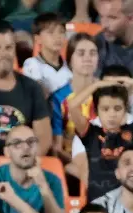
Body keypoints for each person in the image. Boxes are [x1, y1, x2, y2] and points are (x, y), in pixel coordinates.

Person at [69, 76, 133, 200]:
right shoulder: (90, 134)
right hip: (99, 206)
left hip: (131, 205)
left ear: (125, 109)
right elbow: (72, 106)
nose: (112, 114)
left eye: (117, 108)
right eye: (105, 109)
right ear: (97, 110)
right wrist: (97, 85)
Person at [0, 22, 53, 162]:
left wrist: (23, 164)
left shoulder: (31, 88)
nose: (3, 54)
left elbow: (43, 138)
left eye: (8, 47)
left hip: (23, 167)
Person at [0, 126, 67, 213]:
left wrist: (43, 187)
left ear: (38, 148)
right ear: (7, 152)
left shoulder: (52, 180)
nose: (26, 147)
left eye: (31, 142)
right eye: (17, 143)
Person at [49, 33, 100, 164]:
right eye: (81, 53)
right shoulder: (58, 97)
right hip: (71, 163)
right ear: (69, 60)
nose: (88, 58)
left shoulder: (107, 91)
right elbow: (57, 148)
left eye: (93, 53)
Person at [22, 13, 72, 98]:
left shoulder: (70, 68)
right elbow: (39, 94)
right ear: (38, 39)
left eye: (61, 32)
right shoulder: (31, 64)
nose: (57, 37)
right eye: (51, 32)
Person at [96, 0, 133, 75]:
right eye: (101, 16)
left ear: (130, 18)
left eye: (112, 18)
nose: (104, 25)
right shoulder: (96, 44)